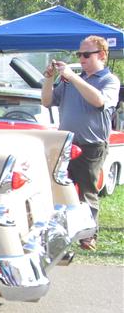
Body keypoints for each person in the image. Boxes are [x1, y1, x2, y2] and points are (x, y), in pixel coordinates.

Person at [41, 35, 121, 250]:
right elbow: (47, 101)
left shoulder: (109, 80)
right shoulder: (71, 80)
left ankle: (89, 236)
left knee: (86, 191)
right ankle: (60, 233)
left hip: (91, 145)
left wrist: (73, 77)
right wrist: (49, 78)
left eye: (86, 55)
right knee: (59, 190)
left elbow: (99, 101)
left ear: (101, 55)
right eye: (79, 54)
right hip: (65, 144)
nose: (81, 59)